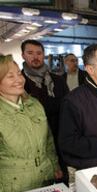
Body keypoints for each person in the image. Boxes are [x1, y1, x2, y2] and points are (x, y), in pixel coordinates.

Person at [0, 54, 62, 192]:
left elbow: (48, 140)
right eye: (10, 76)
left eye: (19, 74)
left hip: (44, 180)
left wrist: (54, 164)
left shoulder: (34, 104)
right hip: (12, 188)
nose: (19, 80)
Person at [21, 39, 69, 183]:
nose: (35, 57)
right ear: (23, 55)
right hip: (36, 145)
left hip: (61, 138)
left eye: (39, 53)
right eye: (30, 53)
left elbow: (68, 106)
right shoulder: (19, 81)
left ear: (44, 55)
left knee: (63, 184)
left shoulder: (58, 80)